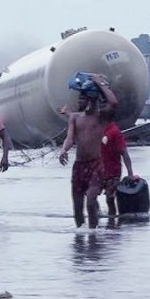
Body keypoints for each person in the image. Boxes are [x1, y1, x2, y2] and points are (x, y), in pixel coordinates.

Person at [58, 73, 118, 228]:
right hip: (79, 165)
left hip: (95, 165)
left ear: (92, 99)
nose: (80, 101)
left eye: (83, 98)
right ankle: (81, 234)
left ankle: (93, 234)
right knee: (77, 207)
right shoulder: (75, 118)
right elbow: (70, 138)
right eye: (80, 98)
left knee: (91, 200)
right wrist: (64, 150)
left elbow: (113, 102)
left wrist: (100, 84)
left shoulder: (101, 117)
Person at [101, 109, 135, 216]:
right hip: (98, 170)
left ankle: (112, 222)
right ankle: (96, 217)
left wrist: (130, 173)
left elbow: (124, 153)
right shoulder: (97, 130)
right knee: (90, 194)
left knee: (109, 198)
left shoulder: (115, 132)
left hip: (113, 172)